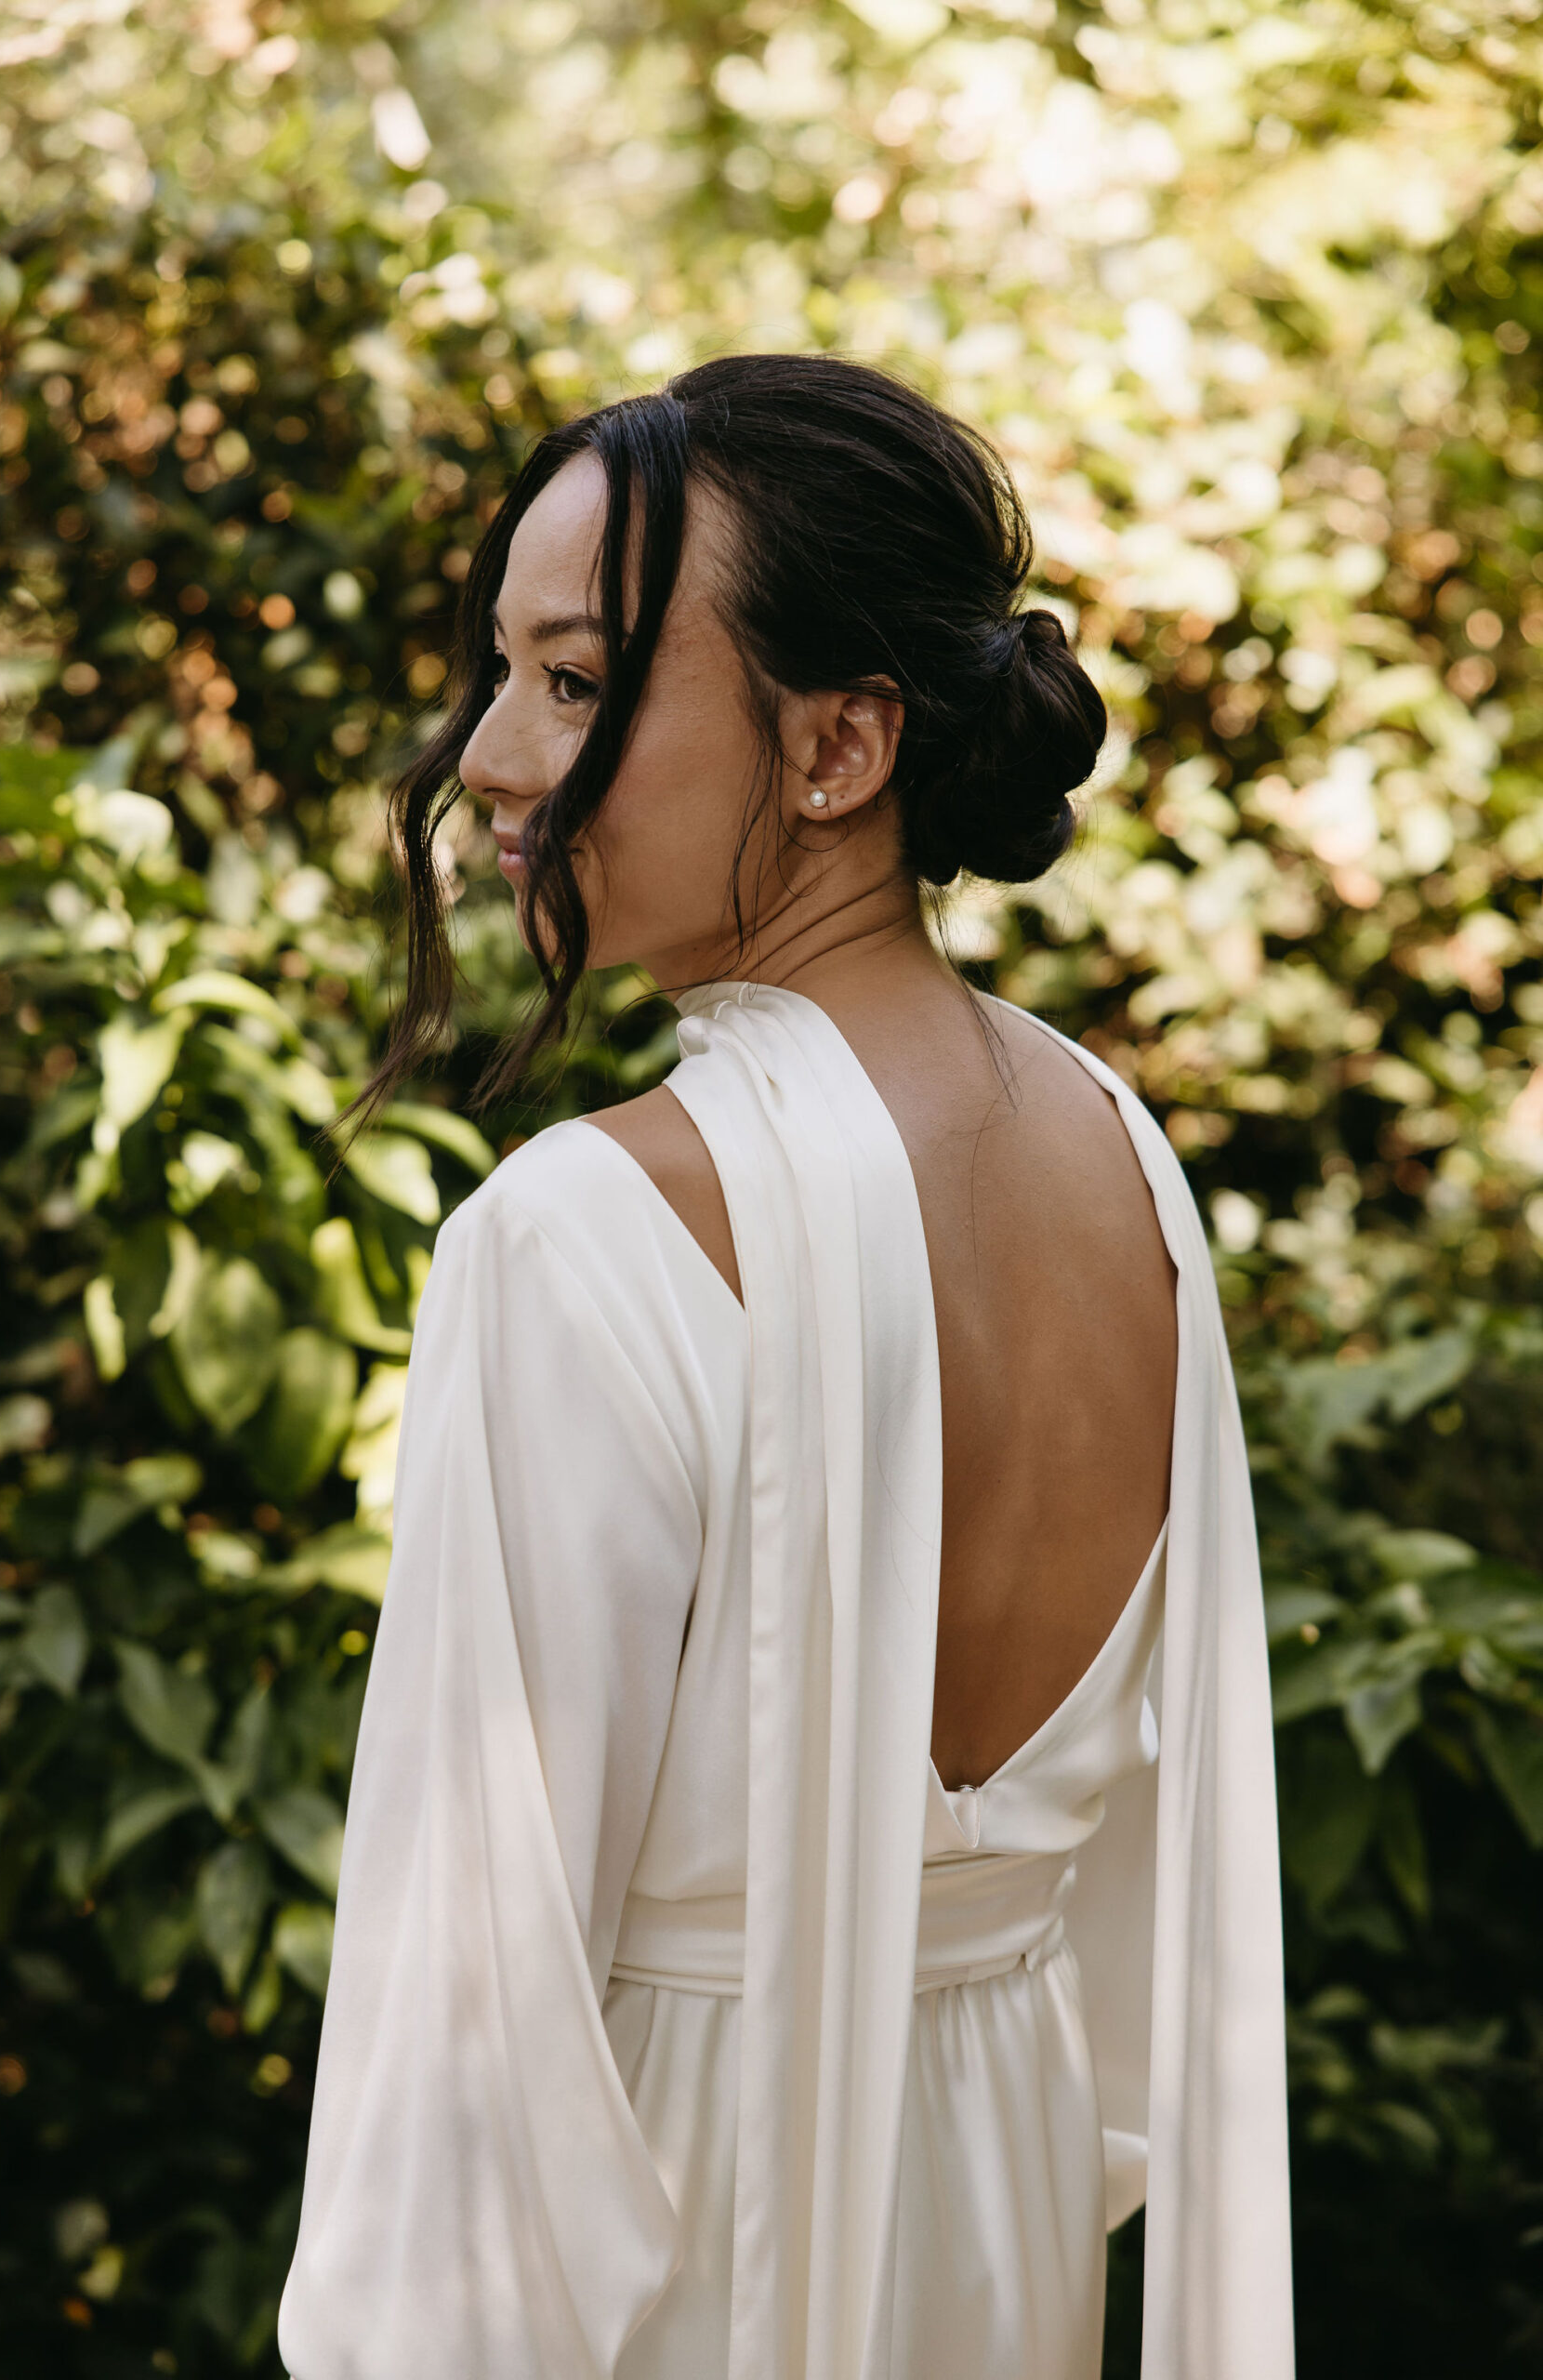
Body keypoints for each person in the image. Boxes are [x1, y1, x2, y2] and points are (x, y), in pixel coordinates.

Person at [278, 354, 1292, 2380]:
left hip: (682, 2248)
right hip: (998, 2222)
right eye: (502, 671)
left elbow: (466, 2035)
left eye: (574, 683)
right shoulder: (1120, 1160)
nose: (486, 758)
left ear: (836, 748)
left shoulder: (580, 1238)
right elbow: (1126, 1944)